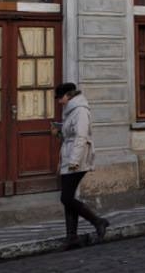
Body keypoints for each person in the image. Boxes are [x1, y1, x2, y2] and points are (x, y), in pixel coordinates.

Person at [54, 82, 108, 250]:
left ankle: (98, 221)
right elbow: (70, 135)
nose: (58, 101)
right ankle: (72, 237)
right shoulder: (70, 110)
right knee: (68, 198)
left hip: (77, 159)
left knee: (66, 198)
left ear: (68, 96)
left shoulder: (80, 110)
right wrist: (59, 132)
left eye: (60, 98)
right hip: (69, 157)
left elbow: (81, 137)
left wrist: (73, 161)